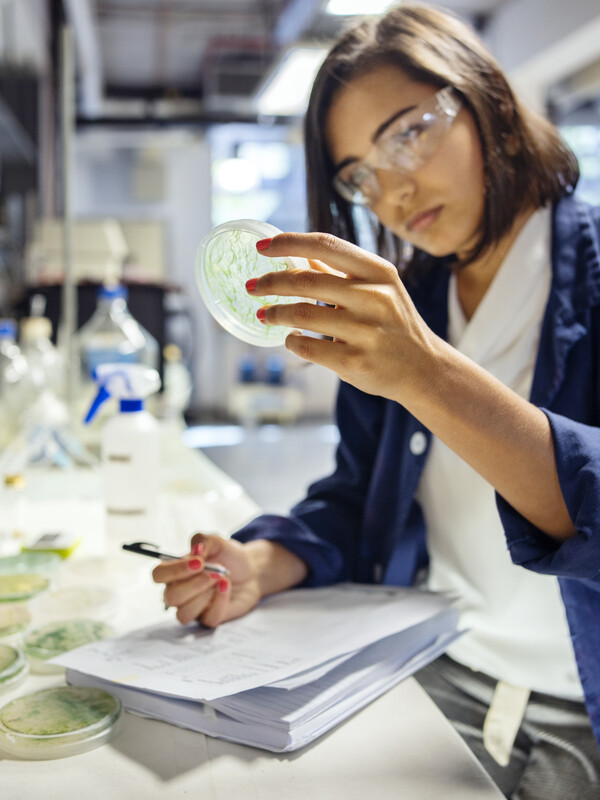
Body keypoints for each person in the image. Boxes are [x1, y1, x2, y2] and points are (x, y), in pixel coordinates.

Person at [153, 5, 600, 797]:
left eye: (407, 133)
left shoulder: (577, 276)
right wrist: (261, 562)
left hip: (580, 713)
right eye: (356, 173)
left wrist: (426, 373)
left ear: (485, 98)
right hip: (444, 670)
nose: (389, 189)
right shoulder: (417, 305)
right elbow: (361, 499)